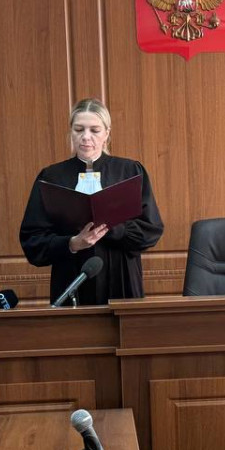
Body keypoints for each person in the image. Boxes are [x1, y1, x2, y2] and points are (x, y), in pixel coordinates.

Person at [20, 98, 164, 304]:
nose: (86, 137)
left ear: (107, 134)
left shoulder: (130, 171)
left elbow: (151, 229)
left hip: (121, 278)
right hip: (71, 277)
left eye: (95, 130)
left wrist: (114, 229)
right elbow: (32, 240)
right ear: (71, 132)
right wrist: (72, 243)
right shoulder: (51, 177)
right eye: (79, 129)